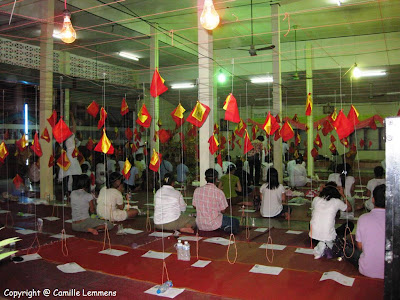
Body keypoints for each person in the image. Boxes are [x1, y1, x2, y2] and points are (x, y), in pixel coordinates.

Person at [346, 184, 385, 279]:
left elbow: (360, 247)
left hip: (367, 270)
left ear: (373, 200)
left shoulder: (363, 218)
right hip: (392, 271)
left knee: (347, 250)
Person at [309, 185, 353, 259]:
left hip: (313, 235)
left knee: (315, 222)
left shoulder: (316, 199)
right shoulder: (336, 201)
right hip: (328, 236)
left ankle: (322, 244)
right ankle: (325, 244)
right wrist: (343, 194)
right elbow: (349, 208)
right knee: (350, 225)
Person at [192, 168, 240, 234]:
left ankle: (224, 228)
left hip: (200, 224)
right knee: (235, 221)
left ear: (205, 179)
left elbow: (194, 206)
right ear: (216, 179)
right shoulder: (219, 192)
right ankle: (225, 228)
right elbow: (223, 210)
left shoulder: (197, 190)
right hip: (214, 223)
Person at [58, 114, 82, 194]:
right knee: (75, 175)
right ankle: (73, 191)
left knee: (67, 176)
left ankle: (66, 192)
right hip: (72, 157)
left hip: (67, 157)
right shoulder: (70, 136)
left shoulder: (62, 139)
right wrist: (72, 117)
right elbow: (75, 126)